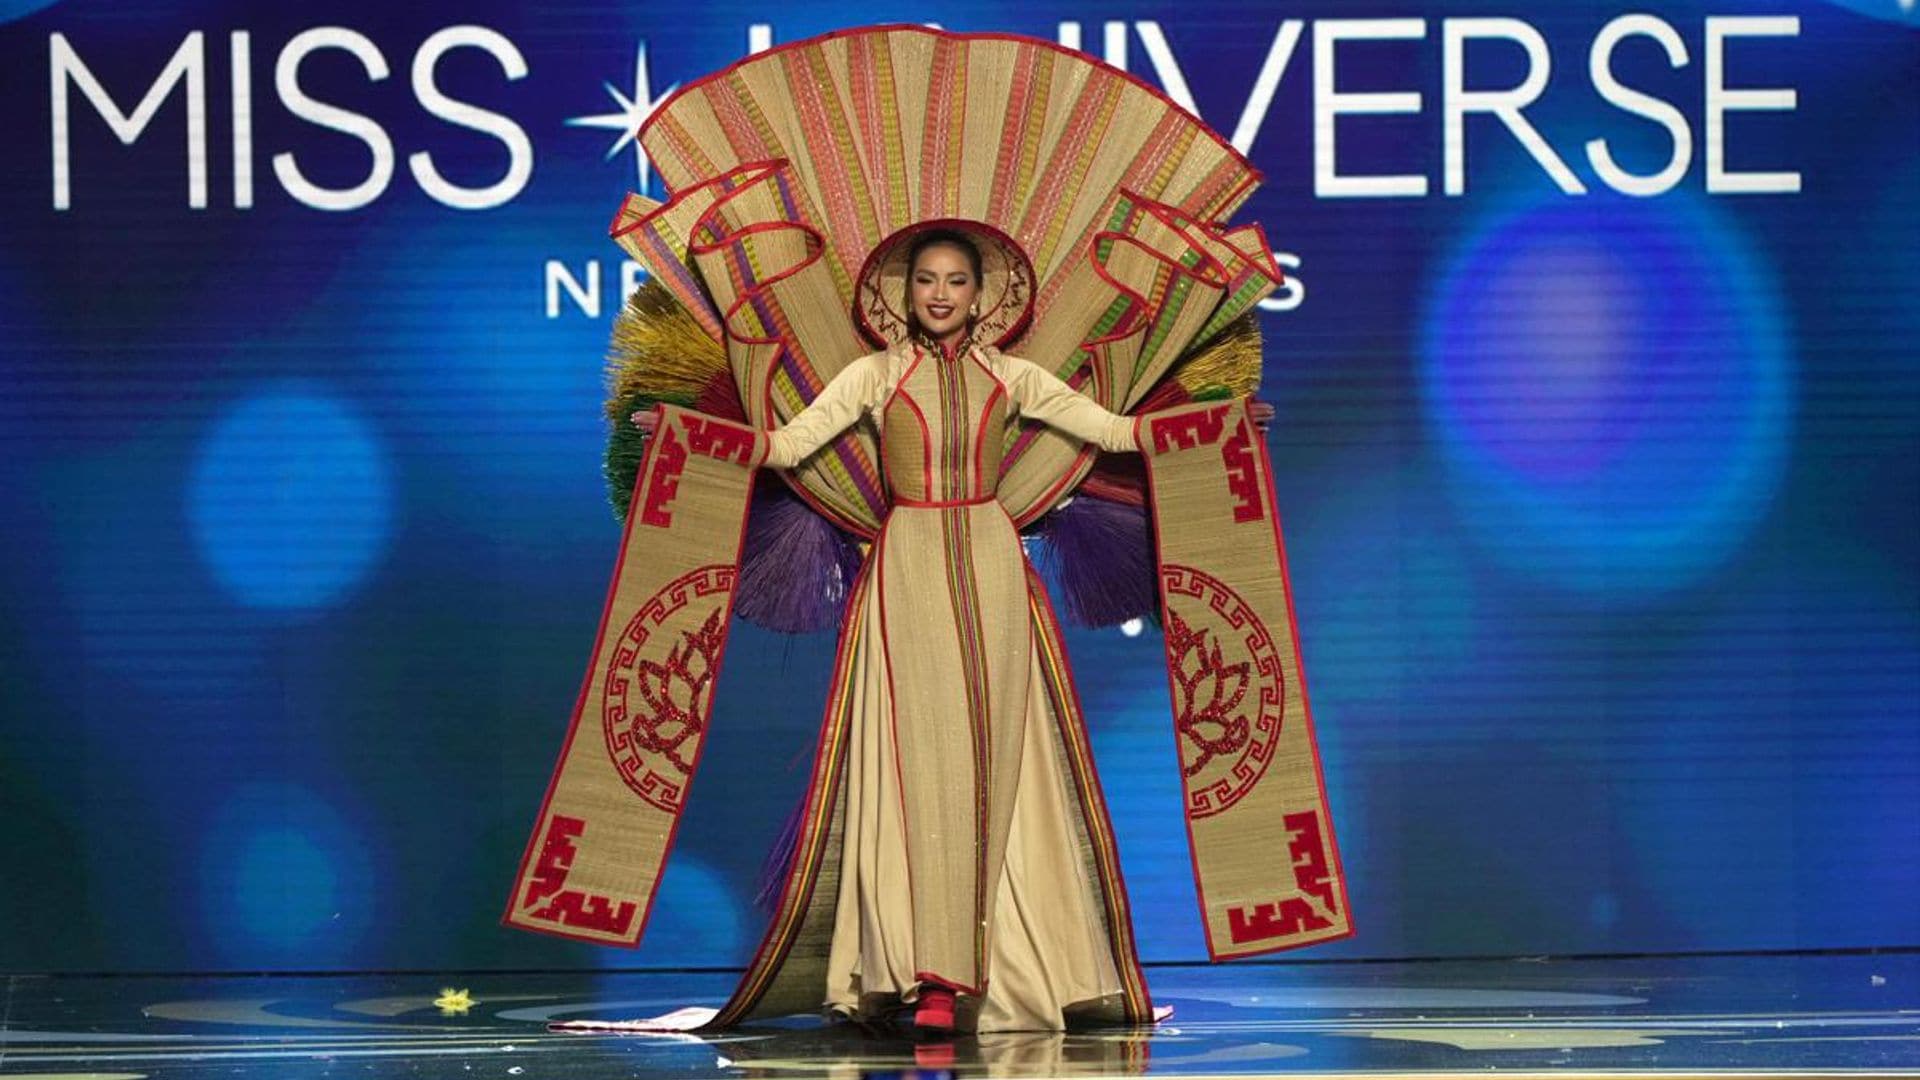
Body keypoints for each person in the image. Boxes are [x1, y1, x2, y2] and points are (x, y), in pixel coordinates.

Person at [631, 225, 1271, 1035]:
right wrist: (691, 436)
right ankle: (923, 974)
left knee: (1000, 759)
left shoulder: (1014, 377)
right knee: (916, 766)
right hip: (905, 565)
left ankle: (992, 967)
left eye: (955, 281)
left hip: (994, 561)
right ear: (902, 293)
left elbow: (1115, 432)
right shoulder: (872, 375)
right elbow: (788, 446)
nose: (939, 294)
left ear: (983, 295)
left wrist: (1224, 423)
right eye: (926, 279)